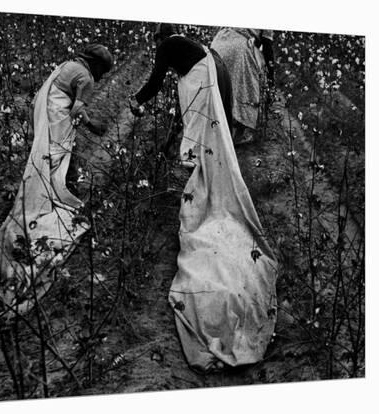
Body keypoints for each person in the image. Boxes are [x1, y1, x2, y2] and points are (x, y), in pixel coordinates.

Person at [131, 23, 278, 373]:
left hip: (202, 79)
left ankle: (198, 179)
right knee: (202, 134)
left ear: (158, 37)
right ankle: (200, 170)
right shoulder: (190, 44)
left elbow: (154, 81)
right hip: (208, 76)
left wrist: (135, 101)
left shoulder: (168, 46)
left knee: (198, 138)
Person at [0, 44, 113, 307]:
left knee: (44, 157)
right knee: (55, 160)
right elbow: (78, 111)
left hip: (42, 112)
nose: (101, 78)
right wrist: (95, 126)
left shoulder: (68, 65)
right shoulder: (87, 78)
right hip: (56, 117)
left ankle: (55, 187)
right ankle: (53, 198)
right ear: (98, 67)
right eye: (104, 71)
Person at [211, 27, 275, 145]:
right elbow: (267, 47)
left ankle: (217, 131)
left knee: (219, 88)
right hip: (239, 48)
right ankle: (239, 135)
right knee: (244, 88)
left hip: (218, 43)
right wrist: (271, 77)